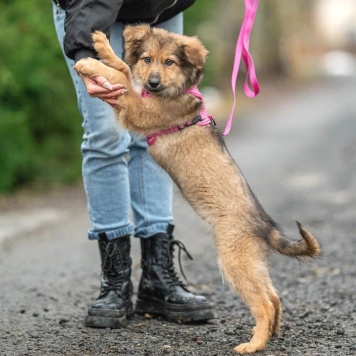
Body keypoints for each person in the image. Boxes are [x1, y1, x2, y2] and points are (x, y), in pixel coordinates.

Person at [52, 0, 214, 328]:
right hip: (90, 12)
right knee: (106, 135)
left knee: (155, 131)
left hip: (160, 10)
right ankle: (115, 282)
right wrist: (84, 53)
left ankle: (158, 277)